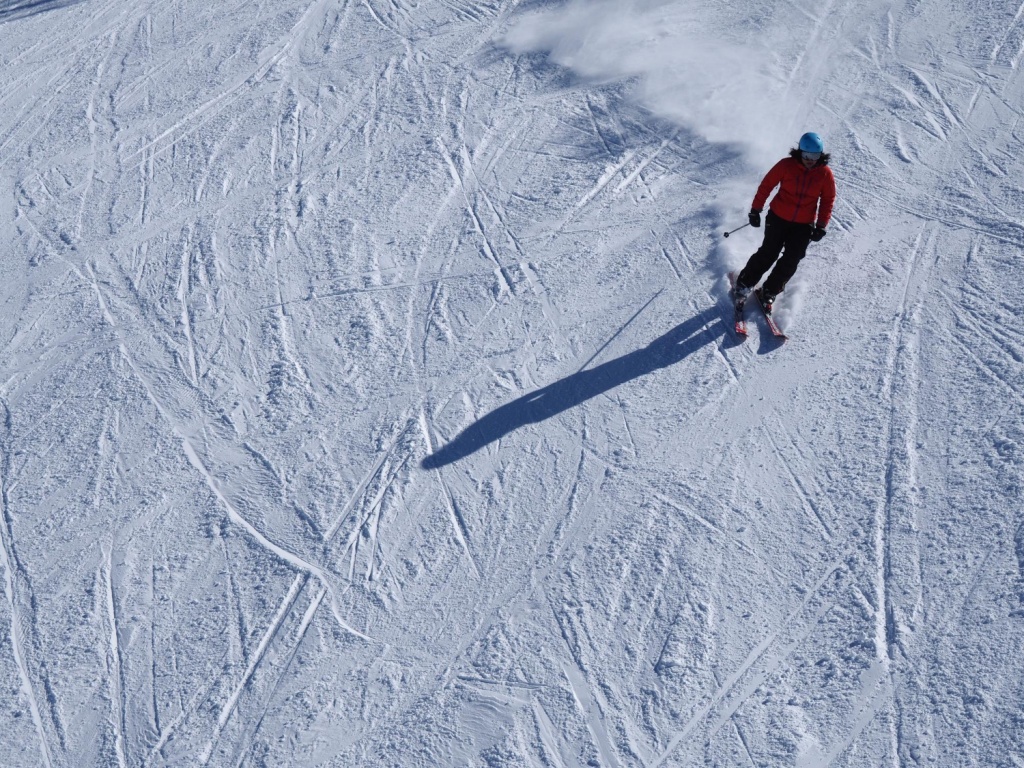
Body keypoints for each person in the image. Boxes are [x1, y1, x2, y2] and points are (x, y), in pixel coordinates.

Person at [733, 132, 836, 315]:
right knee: (769, 252)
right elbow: (767, 185)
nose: (810, 160)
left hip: (803, 225)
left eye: (814, 157)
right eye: (806, 156)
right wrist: (755, 210)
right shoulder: (786, 165)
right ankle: (744, 283)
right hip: (778, 217)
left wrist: (821, 225)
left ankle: (770, 290)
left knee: (792, 259)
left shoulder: (825, 174)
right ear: (800, 152)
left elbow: (828, 199)